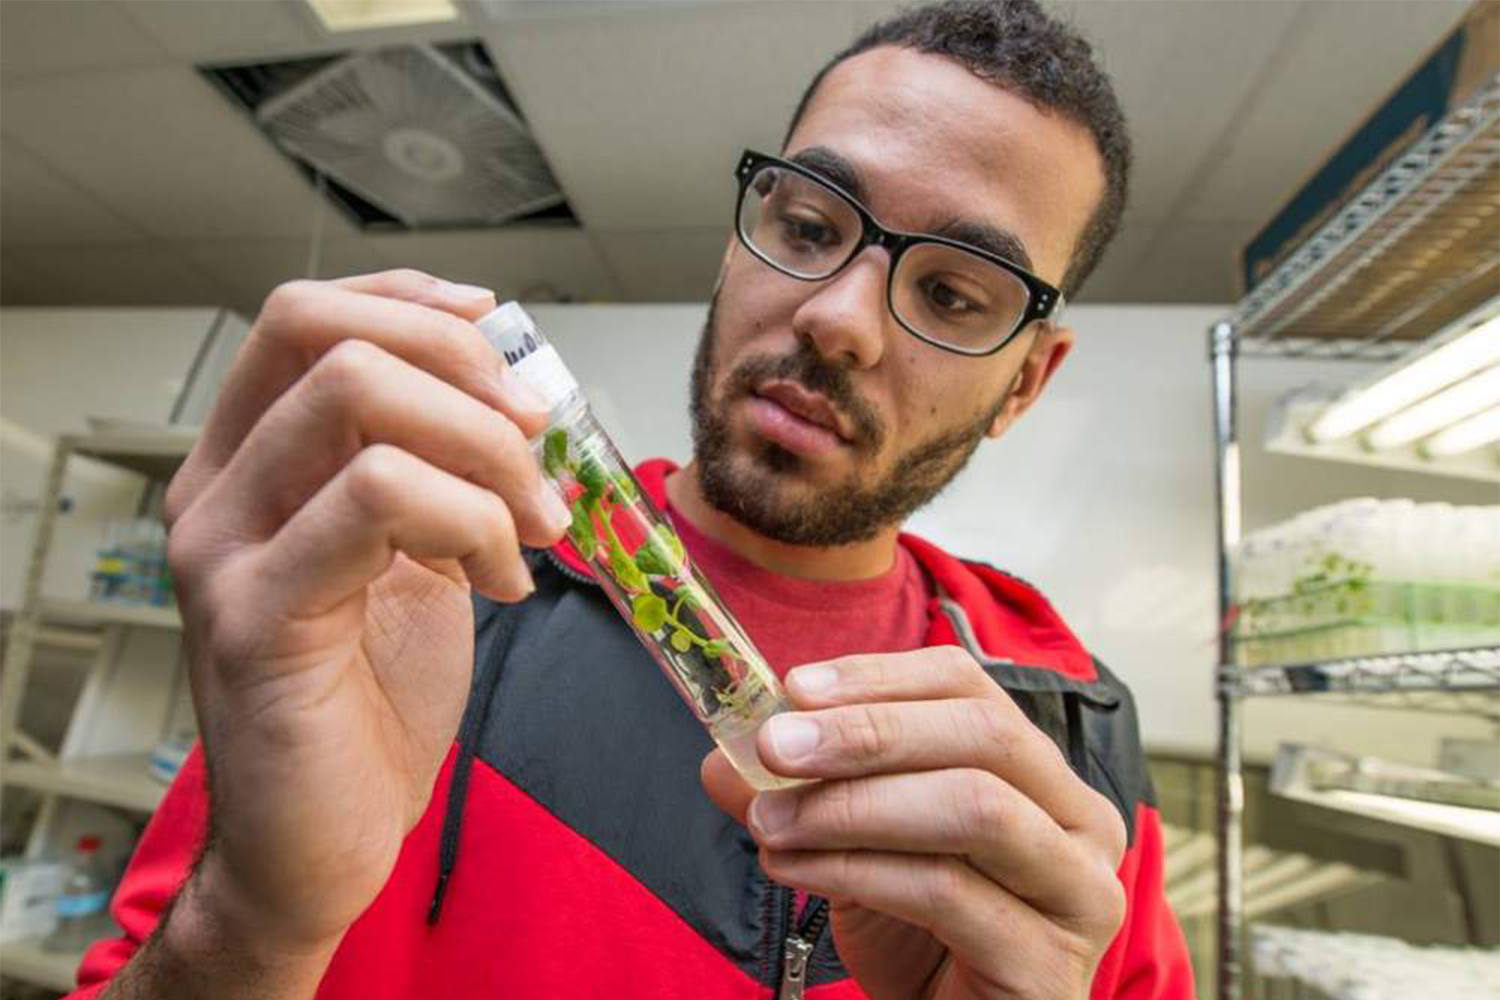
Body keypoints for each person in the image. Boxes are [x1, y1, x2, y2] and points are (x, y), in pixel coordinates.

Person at [70, 1, 1196, 998]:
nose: (841, 318)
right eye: (807, 227)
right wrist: (248, 926)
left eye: (952, 293)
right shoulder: (414, 582)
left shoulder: (1073, 744)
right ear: (735, 241)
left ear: (1025, 385)